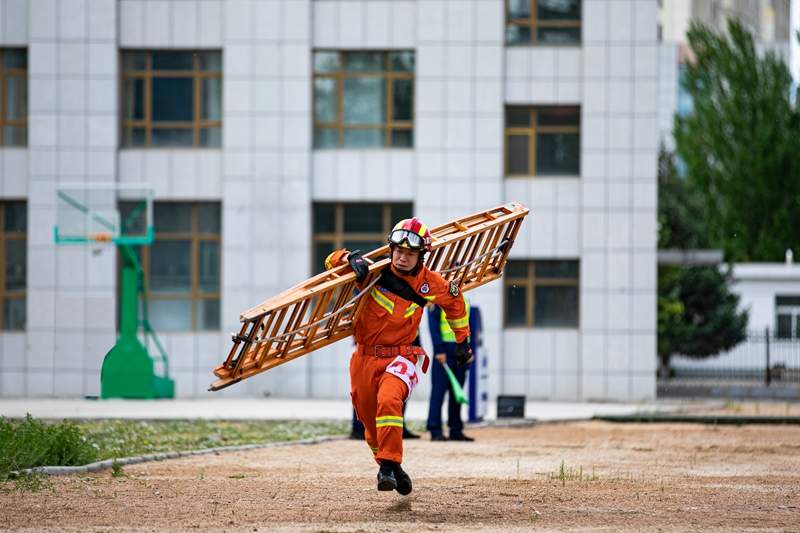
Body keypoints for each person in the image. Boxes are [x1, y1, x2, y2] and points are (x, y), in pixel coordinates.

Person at [325, 217, 472, 495]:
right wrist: (348, 258)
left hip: (402, 357)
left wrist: (462, 341)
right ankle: (392, 467)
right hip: (364, 358)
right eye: (399, 251)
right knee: (369, 424)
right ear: (391, 249)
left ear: (421, 256)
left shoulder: (430, 283)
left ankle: (387, 465)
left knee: (389, 400)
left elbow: (455, 303)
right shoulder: (372, 271)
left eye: (410, 254)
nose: (402, 258)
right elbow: (330, 262)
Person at [426, 296, 475, 441]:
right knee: (439, 392)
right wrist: (439, 350)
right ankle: (435, 430)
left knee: (457, 391)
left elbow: (468, 325)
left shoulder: (465, 298)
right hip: (444, 350)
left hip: (460, 349)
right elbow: (433, 324)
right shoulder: (438, 296)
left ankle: (456, 429)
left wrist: (469, 349)